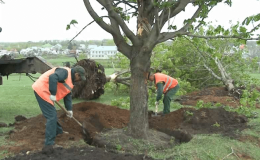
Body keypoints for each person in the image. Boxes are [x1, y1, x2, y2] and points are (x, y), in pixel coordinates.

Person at [32, 65, 86, 150]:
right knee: (51, 117)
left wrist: (69, 109)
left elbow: (67, 95)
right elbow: (53, 77)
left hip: (47, 94)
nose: (79, 80)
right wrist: (53, 93)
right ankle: (49, 144)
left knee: (53, 115)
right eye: (80, 77)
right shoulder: (64, 72)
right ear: (76, 74)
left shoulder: (71, 82)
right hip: (42, 90)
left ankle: (59, 132)